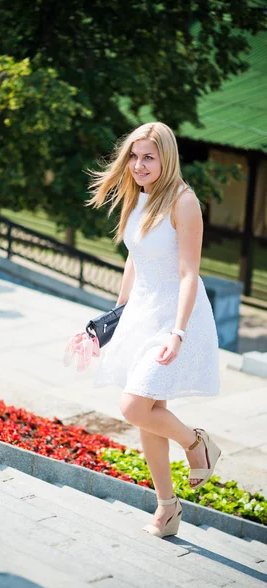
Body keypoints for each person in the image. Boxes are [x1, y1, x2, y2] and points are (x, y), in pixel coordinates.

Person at [85, 121, 221, 538]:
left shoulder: (183, 202)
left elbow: (188, 274)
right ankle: (167, 508)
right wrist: (113, 318)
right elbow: (135, 257)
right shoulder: (140, 197)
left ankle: (197, 444)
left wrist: (178, 333)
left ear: (167, 158)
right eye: (134, 156)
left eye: (149, 157)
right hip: (141, 312)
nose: (139, 165)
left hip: (175, 316)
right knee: (148, 413)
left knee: (134, 406)